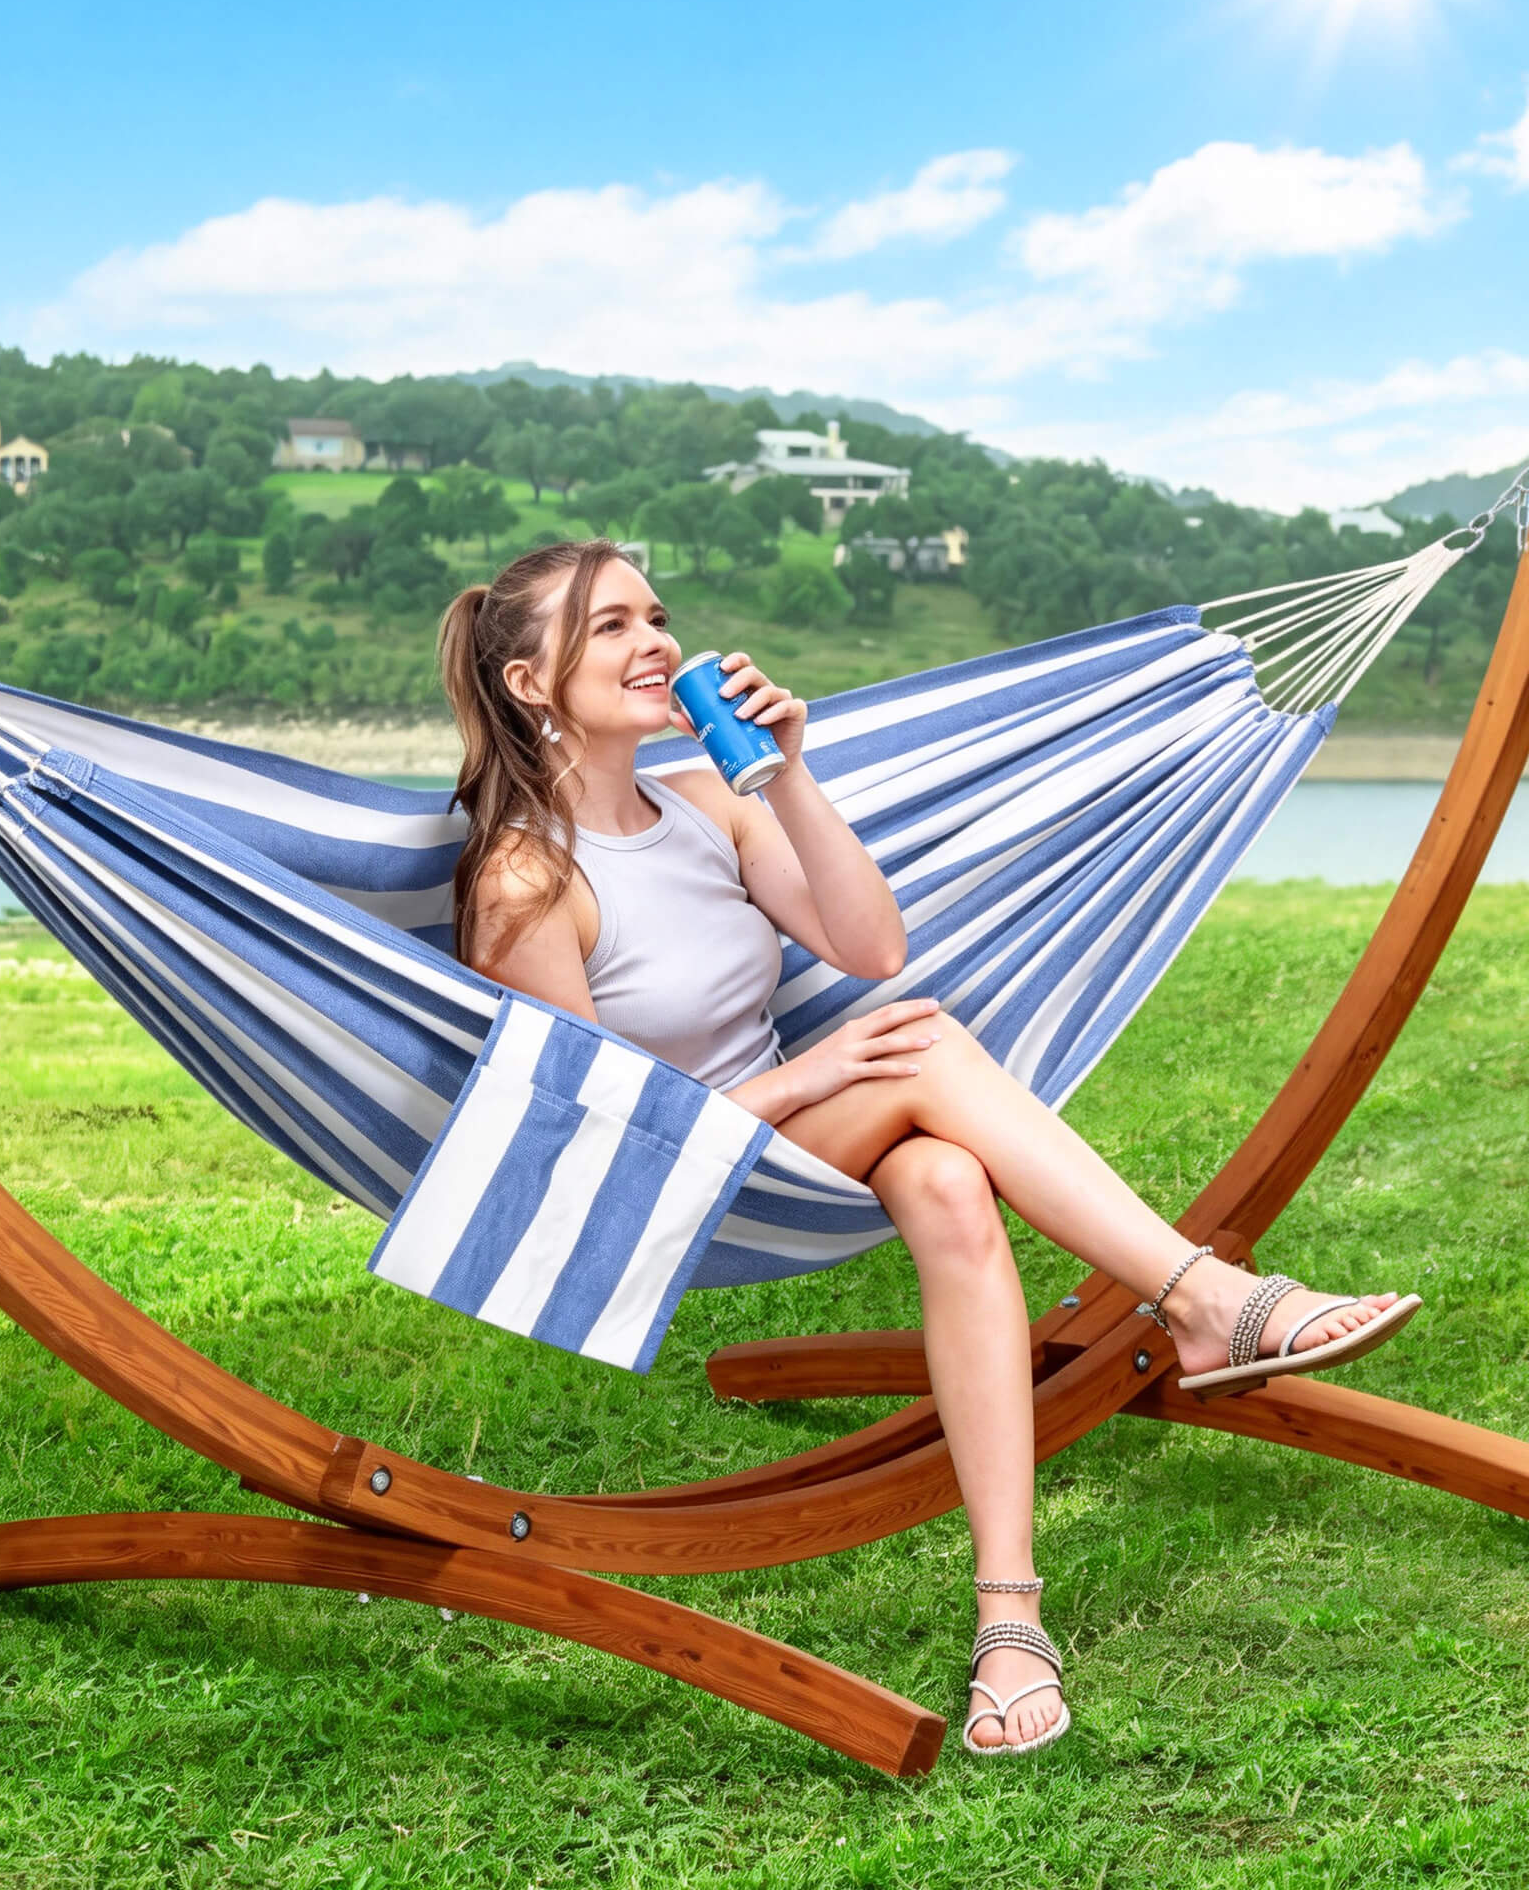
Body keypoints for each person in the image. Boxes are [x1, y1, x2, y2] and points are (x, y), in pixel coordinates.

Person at [437, 538, 1420, 1757]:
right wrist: (809, 1073)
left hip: (799, 1132)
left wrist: (786, 777)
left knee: (952, 1181)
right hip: (684, 1172)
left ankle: (1009, 1618)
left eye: (657, 615)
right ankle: (1203, 1294)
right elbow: (593, 1134)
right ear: (529, 683)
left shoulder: (704, 806)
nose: (655, 644)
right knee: (919, 1045)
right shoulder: (527, 879)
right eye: (609, 627)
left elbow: (870, 943)